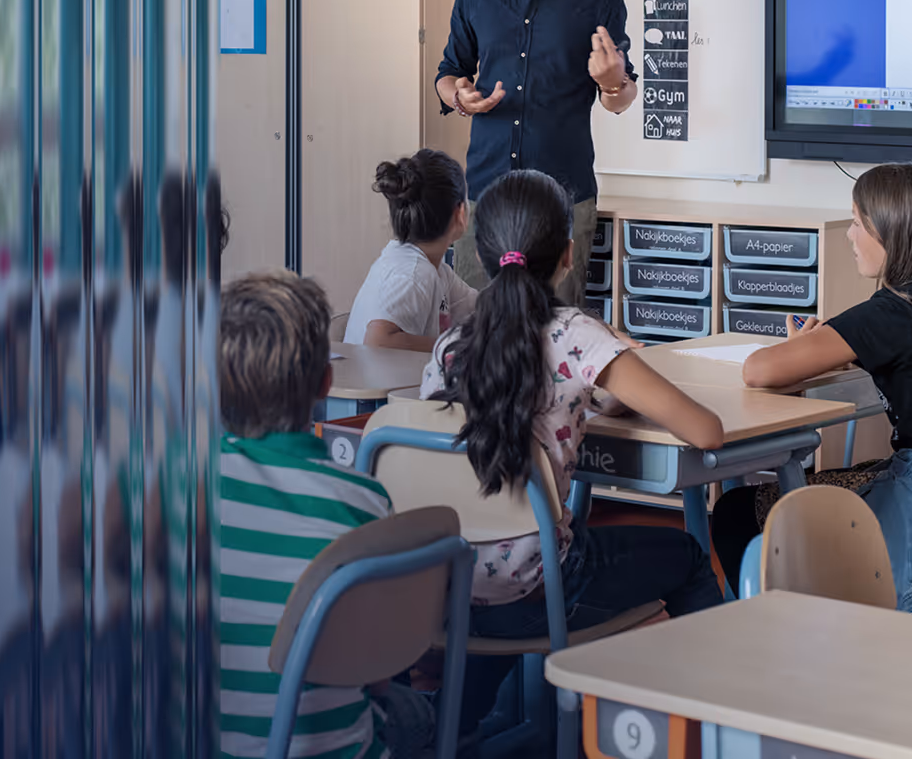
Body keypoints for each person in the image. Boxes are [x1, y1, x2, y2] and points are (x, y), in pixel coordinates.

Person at [418, 169, 724, 745]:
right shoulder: (578, 334)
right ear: (566, 253)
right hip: (541, 594)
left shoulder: (450, 344)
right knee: (686, 554)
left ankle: (450, 728)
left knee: (507, 557)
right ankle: (719, 727)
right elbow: (705, 432)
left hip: (449, 590)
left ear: (480, 254)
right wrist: (617, 360)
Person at [712, 162, 912, 613]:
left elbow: (759, 370)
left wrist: (803, 347)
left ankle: (771, 633)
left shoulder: (893, 312)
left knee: (735, 511)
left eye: (859, 223)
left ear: (893, 233)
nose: (849, 235)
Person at [218, 271, 432, 759]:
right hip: (322, 747)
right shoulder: (364, 504)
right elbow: (375, 672)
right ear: (325, 381)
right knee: (414, 712)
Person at [434, 0, 638, 307]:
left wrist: (610, 80)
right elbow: (449, 73)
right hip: (487, 196)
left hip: (563, 199)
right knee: (476, 336)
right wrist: (460, 96)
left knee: (556, 341)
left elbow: (620, 98)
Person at [344, 149, 478, 352]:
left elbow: (481, 308)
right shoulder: (414, 272)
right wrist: (456, 345)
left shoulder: (434, 269)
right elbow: (377, 341)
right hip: (380, 384)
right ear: (460, 213)